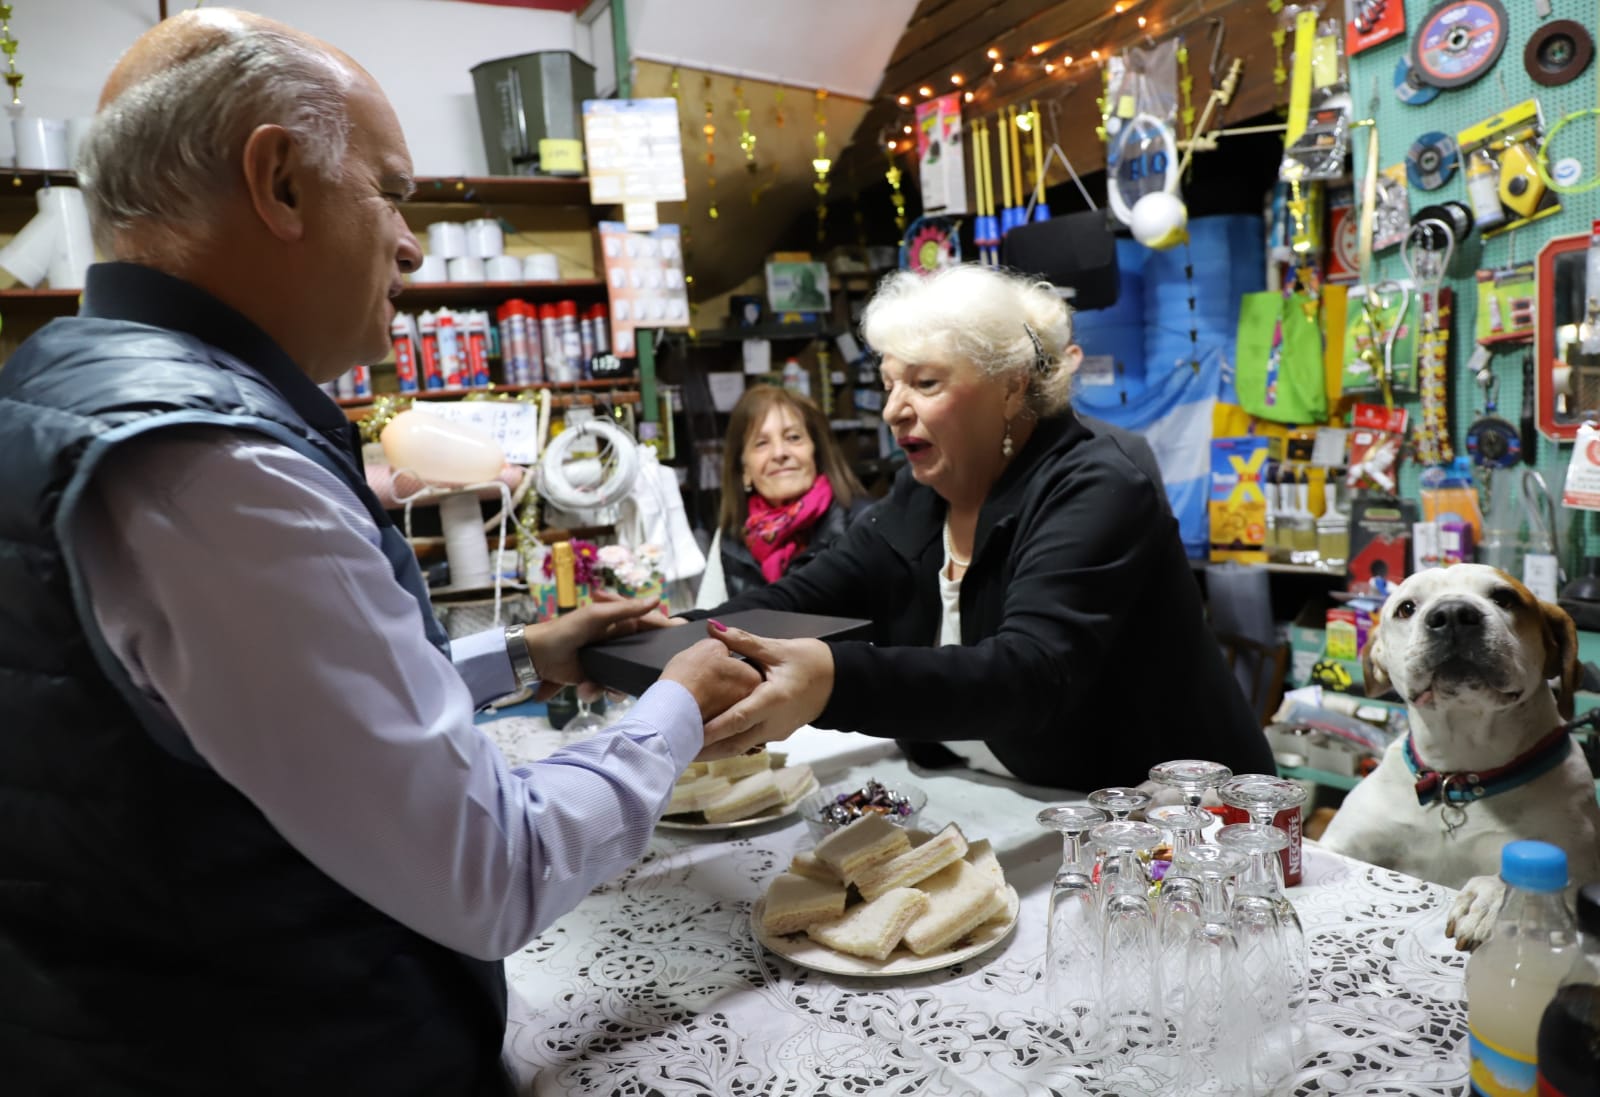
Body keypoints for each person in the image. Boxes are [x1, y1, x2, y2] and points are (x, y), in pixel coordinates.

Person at [0, 11, 756, 1095]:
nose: (411, 244)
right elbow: (494, 869)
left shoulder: (56, 383)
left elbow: (264, 719)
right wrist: (675, 707)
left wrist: (520, 656)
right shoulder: (215, 467)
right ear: (280, 183)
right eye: (390, 192)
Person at [689, 264, 1275, 788]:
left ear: (1011, 386)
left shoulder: (1098, 486)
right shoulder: (920, 498)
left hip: (1178, 817)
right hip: (1023, 802)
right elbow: (801, 599)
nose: (893, 409)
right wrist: (665, 638)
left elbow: (1030, 674)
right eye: (889, 384)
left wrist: (832, 681)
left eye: (925, 383)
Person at [695, 385, 870, 608]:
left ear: (816, 453)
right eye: (761, 443)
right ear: (745, 470)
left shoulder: (863, 522)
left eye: (793, 438)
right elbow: (708, 616)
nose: (779, 453)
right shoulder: (731, 537)